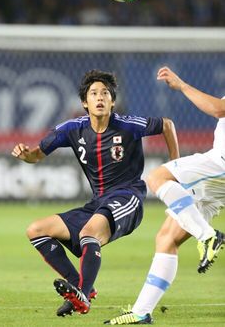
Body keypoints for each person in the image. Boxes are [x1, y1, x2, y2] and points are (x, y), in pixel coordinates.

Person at [11, 69, 180, 317]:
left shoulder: (127, 125)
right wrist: (26, 156)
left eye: (105, 93)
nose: (100, 97)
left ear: (112, 101)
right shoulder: (72, 129)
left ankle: (83, 295)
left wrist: (175, 167)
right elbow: (36, 155)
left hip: (127, 197)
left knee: (90, 233)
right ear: (84, 102)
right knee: (36, 230)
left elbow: (167, 124)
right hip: (97, 203)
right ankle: (82, 289)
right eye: (94, 93)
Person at [104, 66, 225, 325]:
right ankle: (141, 312)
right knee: (167, 238)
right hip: (215, 181)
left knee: (157, 177)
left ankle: (208, 237)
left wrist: (181, 85)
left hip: (220, 165)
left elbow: (219, 110)